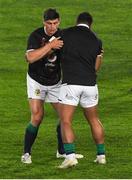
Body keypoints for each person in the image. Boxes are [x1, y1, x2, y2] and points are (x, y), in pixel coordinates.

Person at [21, 8, 83, 164]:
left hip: (55, 82)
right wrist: (50, 45)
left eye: (55, 23)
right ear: (44, 22)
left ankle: (62, 152)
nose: (52, 27)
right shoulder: (36, 36)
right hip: (36, 80)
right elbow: (30, 57)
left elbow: (70, 58)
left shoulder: (63, 36)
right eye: (49, 23)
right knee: (37, 116)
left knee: (64, 117)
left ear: (59, 22)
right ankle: (26, 153)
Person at [58, 12, 106, 169]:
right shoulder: (96, 40)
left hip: (71, 84)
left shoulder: (65, 33)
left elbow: (53, 49)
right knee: (94, 119)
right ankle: (101, 156)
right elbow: (96, 68)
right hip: (91, 85)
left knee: (65, 120)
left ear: (76, 21)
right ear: (90, 24)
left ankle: (70, 156)